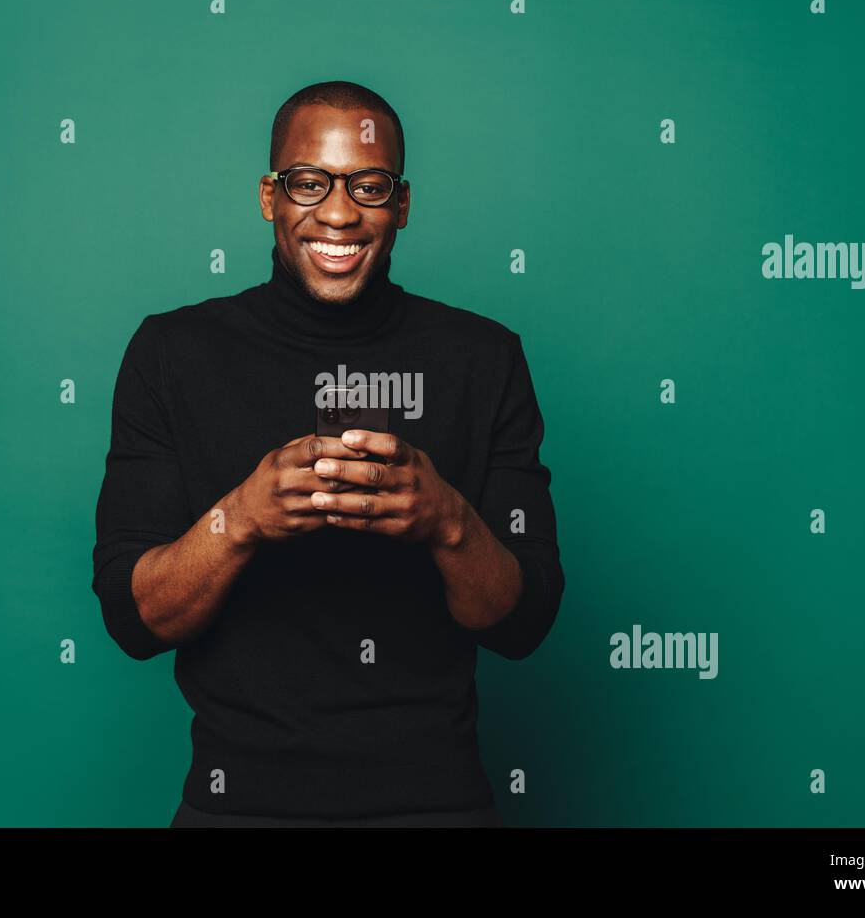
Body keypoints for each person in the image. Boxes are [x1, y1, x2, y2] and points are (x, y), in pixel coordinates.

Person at [91, 80, 565, 827]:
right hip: (237, 806)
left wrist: (445, 518)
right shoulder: (173, 353)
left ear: (401, 205)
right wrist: (240, 518)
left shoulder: (483, 358)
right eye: (309, 182)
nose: (339, 213)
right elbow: (134, 618)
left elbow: (523, 622)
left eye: (368, 186)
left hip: (435, 806)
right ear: (269, 196)